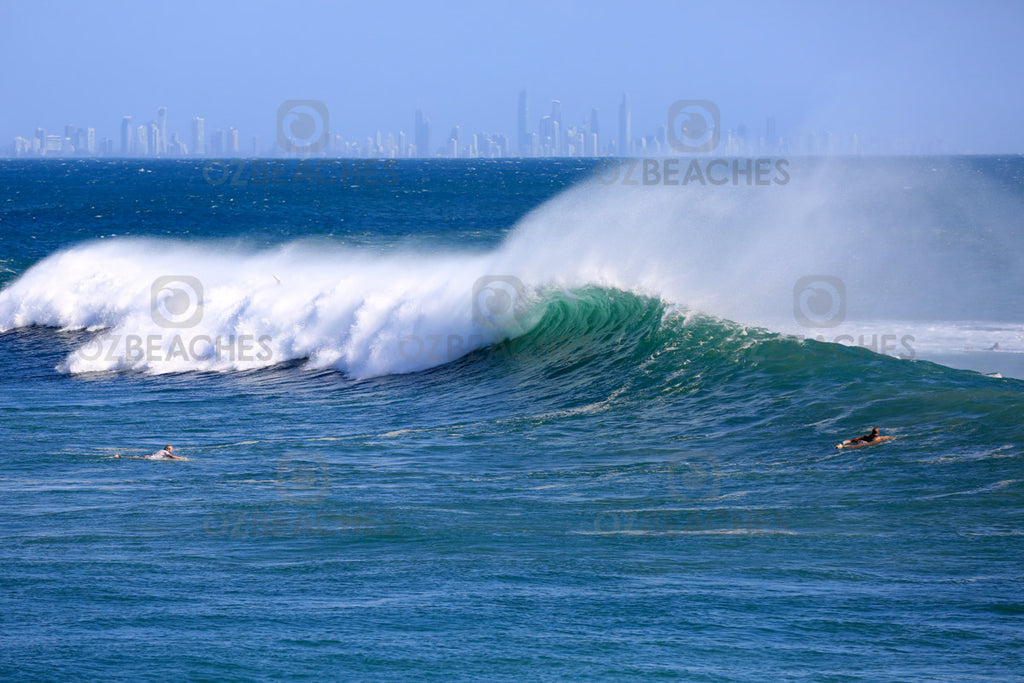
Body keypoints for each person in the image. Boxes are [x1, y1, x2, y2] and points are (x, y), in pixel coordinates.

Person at [114, 445, 184, 460]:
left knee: (136, 457)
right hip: (150, 458)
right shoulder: (165, 452)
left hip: (149, 456)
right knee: (134, 458)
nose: (172, 451)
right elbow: (171, 456)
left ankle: (120, 456)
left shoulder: (163, 451)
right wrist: (180, 458)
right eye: (171, 449)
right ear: (168, 449)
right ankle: (120, 456)